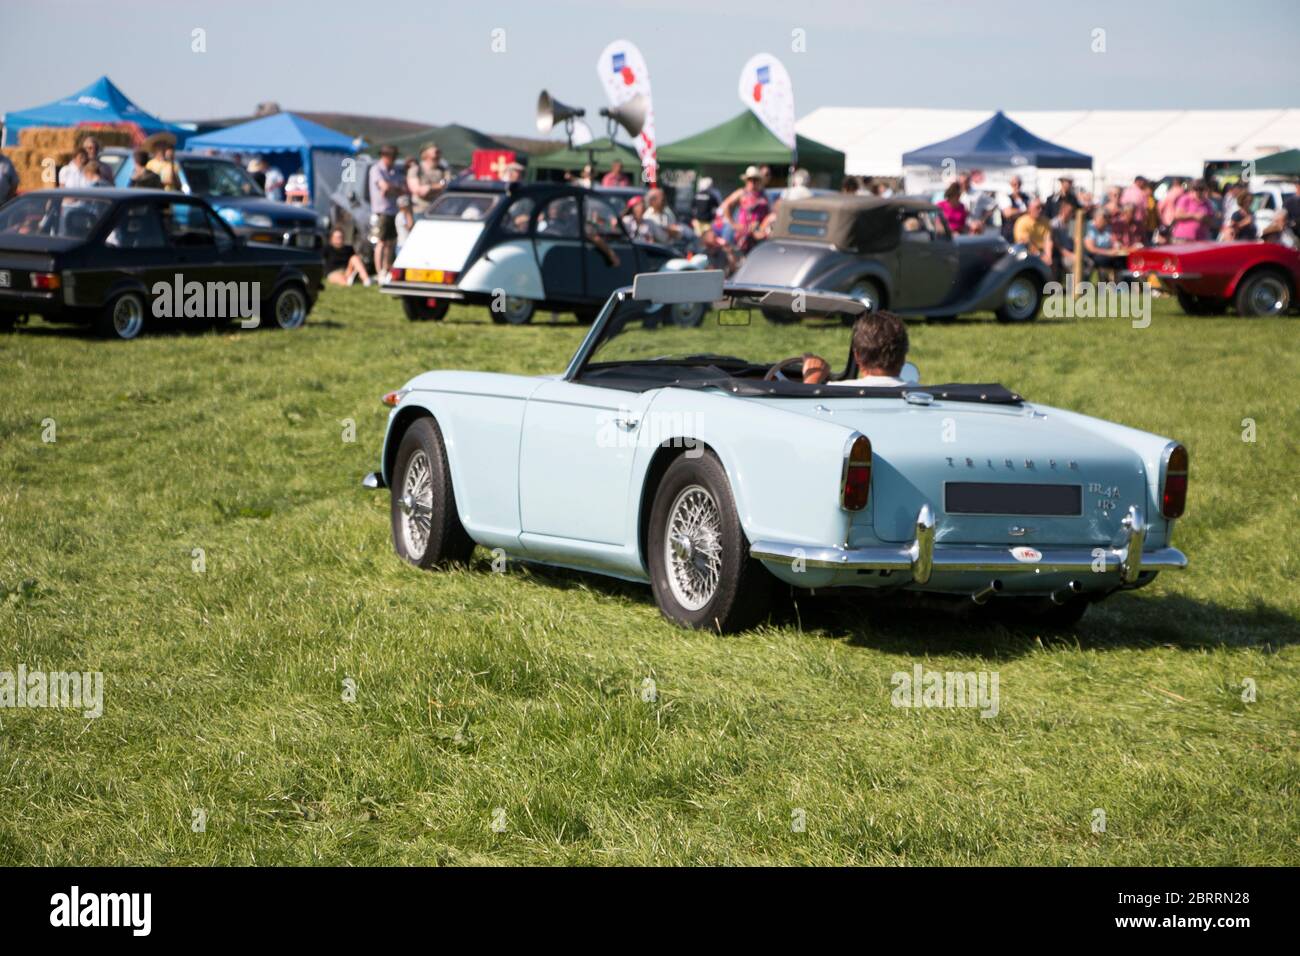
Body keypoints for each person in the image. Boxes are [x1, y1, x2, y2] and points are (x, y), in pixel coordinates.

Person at [799, 310, 910, 387]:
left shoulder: (836, 392)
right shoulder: (923, 395)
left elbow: (802, 416)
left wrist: (812, 380)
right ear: (903, 357)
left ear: (857, 356)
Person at [368, 145, 405, 280]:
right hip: (381, 210)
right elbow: (385, 187)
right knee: (381, 242)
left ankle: (386, 268)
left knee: (391, 242)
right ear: (385, 156)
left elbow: (401, 188)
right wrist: (392, 188)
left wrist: (391, 189)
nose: (394, 160)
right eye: (392, 157)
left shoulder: (394, 171)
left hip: (393, 210)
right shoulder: (376, 169)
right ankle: (379, 272)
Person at [718, 166, 771, 254]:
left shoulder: (764, 195)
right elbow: (725, 205)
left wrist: (763, 227)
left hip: (759, 233)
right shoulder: (742, 193)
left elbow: (770, 213)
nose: (753, 182)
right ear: (747, 181)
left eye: (755, 179)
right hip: (743, 233)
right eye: (750, 180)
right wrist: (733, 224)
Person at [407, 143, 449, 216]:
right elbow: (418, 190)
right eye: (436, 152)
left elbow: (446, 183)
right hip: (420, 210)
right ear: (425, 153)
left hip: (439, 211)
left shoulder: (443, 170)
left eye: (439, 152)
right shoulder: (416, 170)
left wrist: (430, 187)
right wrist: (438, 186)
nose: (438, 155)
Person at [1013, 197, 1053, 264]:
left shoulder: (1046, 221)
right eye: (1037, 208)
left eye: (1042, 208)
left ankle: (1069, 275)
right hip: (1027, 253)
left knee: (1066, 264)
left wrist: (1048, 257)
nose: (1040, 210)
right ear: (1029, 209)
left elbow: (1048, 240)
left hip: (1043, 252)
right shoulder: (1022, 222)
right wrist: (1040, 256)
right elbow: (1026, 242)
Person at [999, 174, 1031, 241]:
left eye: (1019, 184)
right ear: (1010, 185)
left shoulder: (1026, 197)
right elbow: (1008, 213)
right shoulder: (1006, 197)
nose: (1017, 186)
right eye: (1014, 184)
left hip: (1024, 233)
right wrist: (1025, 211)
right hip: (1010, 233)